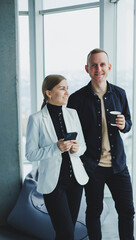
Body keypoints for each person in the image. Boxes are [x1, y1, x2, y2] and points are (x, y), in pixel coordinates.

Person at [67, 48, 135, 240]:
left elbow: (128, 122)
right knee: (94, 211)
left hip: (118, 165)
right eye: (94, 65)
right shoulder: (76, 99)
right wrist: (78, 159)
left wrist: (124, 125)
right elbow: (71, 134)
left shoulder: (119, 94)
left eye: (102, 64)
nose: (98, 69)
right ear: (87, 69)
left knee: (127, 211)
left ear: (109, 67)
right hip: (92, 166)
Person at [25, 74, 89, 240]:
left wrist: (76, 148)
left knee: (65, 233)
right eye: (62, 88)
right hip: (53, 186)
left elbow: (83, 147)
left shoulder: (73, 114)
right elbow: (31, 154)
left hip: (75, 182)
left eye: (67, 88)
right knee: (66, 233)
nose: (67, 92)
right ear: (49, 92)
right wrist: (56, 148)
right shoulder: (36, 119)